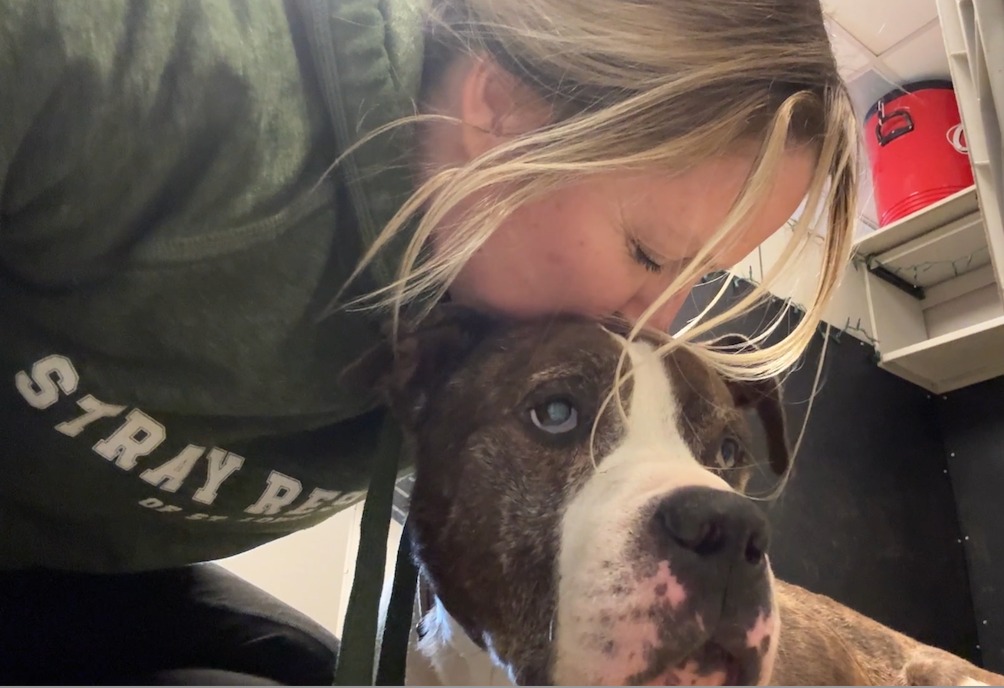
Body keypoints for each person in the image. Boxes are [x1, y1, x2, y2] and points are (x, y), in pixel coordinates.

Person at [0, 0, 858, 683]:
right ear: (500, 110)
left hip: (95, 577)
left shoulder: (486, 326)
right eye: (651, 255)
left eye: (696, 278)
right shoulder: (162, 66)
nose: (654, 323)